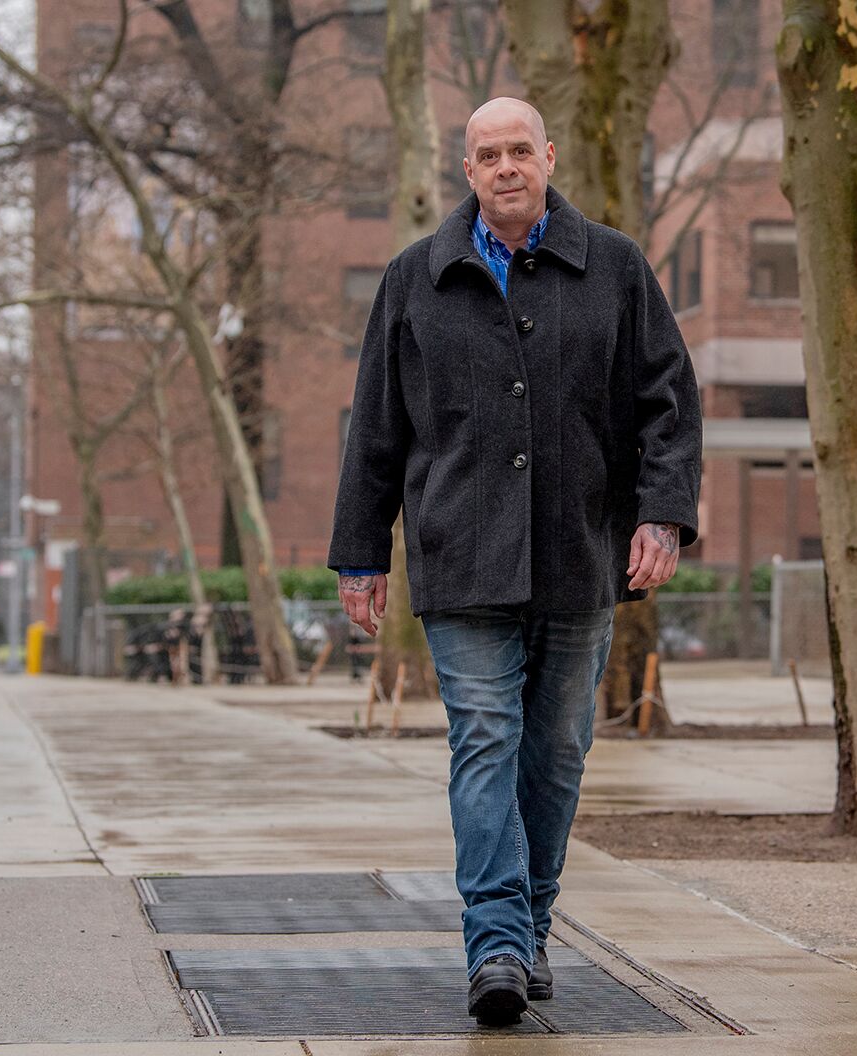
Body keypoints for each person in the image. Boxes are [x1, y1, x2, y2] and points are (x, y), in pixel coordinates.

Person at [328, 97, 703, 1026]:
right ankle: (495, 942)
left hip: (582, 548)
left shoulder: (613, 266)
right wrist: (359, 556)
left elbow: (669, 401)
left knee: (559, 748)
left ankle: (529, 925)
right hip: (461, 553)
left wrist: (663, 514)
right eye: (486, 154)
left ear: (549, 156)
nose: (505, 167)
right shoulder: (415, 277)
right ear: (467, 169)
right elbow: (375, 426)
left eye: (519, 151)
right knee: (483, 737)